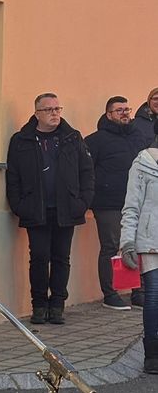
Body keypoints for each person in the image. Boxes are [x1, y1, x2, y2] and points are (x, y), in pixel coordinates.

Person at [5, 93, 94, 325]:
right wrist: (19, 205)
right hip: (36, 209)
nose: (54, 113)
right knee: (39, 258)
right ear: (37, 114)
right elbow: (13, 175)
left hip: (67, 208)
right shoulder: (22, 140)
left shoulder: (72, 137)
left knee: (61, 258)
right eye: (48, 110)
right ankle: (39, 306)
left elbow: (87, 171)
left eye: (57, 109)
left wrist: (82, 202)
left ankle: (57, 306)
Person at [85, 97, 150, 310]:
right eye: (119, 110)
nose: (125, 113)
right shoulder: (95, 140)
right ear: (108, 114)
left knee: (137, 246)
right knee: (111, 247)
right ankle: (110, 293)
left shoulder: (137, 137)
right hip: (108, 203)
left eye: (127, 109)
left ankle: (137, 292)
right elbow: (87, 171)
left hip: (137, 201)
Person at [120, 120, 158, 374]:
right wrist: (127, 243)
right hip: (151, 241)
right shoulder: (143, 163)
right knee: (154, 296)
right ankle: (152, 355)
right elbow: (131, 206)